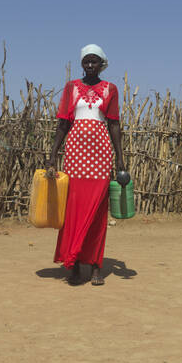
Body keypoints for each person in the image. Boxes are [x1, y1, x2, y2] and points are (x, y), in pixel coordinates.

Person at [46, 44, 125, 286]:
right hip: (76, 156)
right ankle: (73, 263)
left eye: (95, 62)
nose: (90, 65)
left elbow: (113, 124)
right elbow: (63, 123)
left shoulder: (110, 89)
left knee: (97, 212)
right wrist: (52, 155)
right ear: (82, 64)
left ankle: (96, 267)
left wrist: (120, 157)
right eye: (86, 62)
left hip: (100, 156)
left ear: (102, 65)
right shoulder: (71, 88)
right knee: (74, 209)